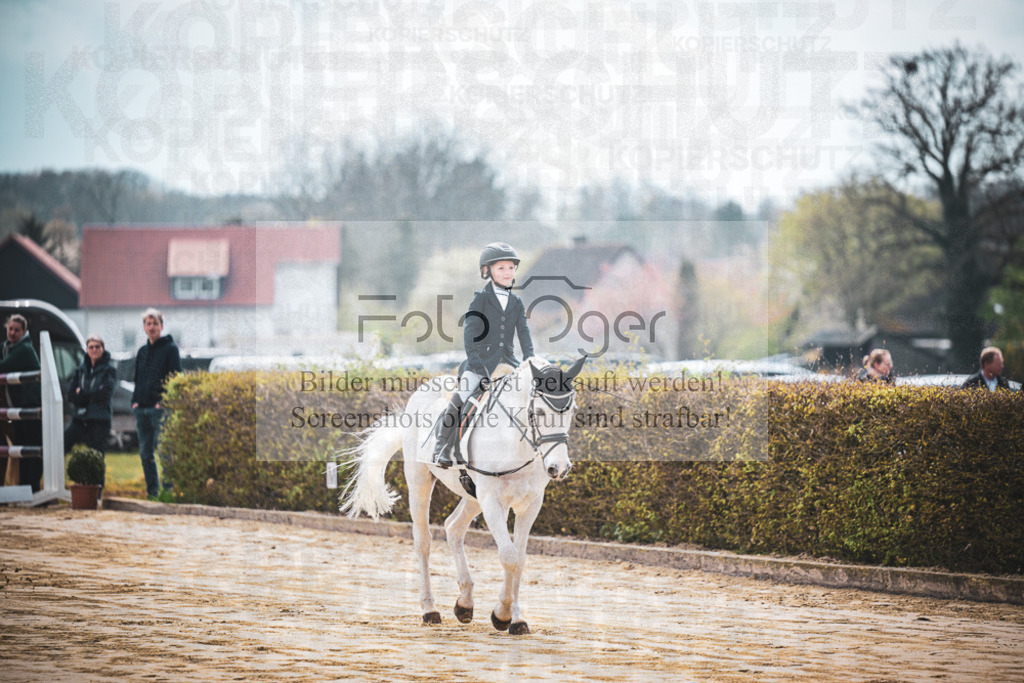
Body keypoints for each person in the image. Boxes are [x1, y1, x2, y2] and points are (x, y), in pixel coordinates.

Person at [434, 242, 535, 468]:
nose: (508, 272)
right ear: (487, 271)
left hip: (508, 363)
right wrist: (475, 361)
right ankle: (442, 446)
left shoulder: (517, 302)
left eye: (511, 268)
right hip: (480, 363)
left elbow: (524, 333)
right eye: (501, 268)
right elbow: (469, 332)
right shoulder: (481, 298)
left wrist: (530, 360)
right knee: (462, 396)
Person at [131, 308, 182, 497]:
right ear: (144, 327)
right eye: (148, 324)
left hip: (160, 410)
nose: (152, 327)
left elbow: (175, 378)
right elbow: (137, 379)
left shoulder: (170, 349)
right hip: (141, 410)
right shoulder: (142, 352)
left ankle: (168, 492)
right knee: (145, 454)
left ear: (161, 326)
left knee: (165, 452)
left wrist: (162, 402)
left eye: (155, 323)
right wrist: (135, 401)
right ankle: (152, 492)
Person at [64, 334, 116, 490]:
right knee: (62, 444)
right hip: (80, 418)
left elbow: (104, 393)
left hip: (100, 419)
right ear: (86, 349)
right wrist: (87, 395)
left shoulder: (109, 370)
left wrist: (82, 394)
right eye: (91, 347)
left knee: (97, 457)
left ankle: (97, 494)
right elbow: (70, 394)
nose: (94, 350)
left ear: (103, 349)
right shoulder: (80, 369)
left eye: (97, 347)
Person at [0, 314, 43, 491]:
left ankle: (33, 488)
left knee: (31, 447)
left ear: (24, 332)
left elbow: (3, 367)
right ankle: (24, 487)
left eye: (16, 330)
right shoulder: (8, 346)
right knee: (22, 447)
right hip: (18, 407)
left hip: (30, 405)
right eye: (10, 329)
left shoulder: (24, 349)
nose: (12, 333)